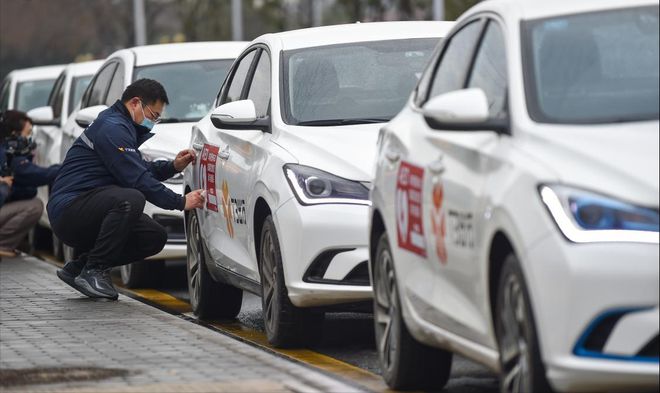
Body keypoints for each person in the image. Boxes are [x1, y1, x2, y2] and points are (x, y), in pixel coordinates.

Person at [48, 79, 204, 300]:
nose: (154, 122)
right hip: (69, 210)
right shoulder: (112, 128)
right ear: (135, 103)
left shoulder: (122, 126)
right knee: (131, 198)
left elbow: (136, 168)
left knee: (154, 236)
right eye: (153, 115)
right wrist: (180, 202)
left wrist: (172, 166)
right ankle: (95, 271)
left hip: (89, 205)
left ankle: (80, 268)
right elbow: (137, 179)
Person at [0, 110, 59, 258]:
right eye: (28, 133)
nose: (29, 138)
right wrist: (69, 167)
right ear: (15, 133)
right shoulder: (9, 154)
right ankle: (3, 244)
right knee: (35, 206)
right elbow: (35, 175)